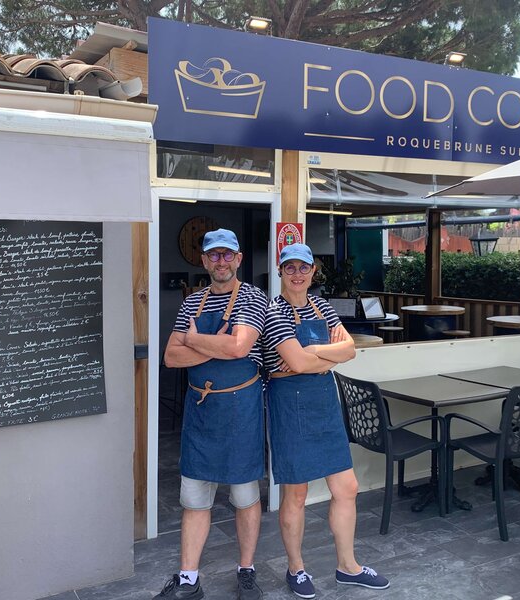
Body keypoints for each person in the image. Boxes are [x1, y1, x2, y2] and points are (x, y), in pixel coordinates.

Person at [262, 243, 390, 599]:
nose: (298, 275)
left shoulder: (322, 307)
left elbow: (349, 348)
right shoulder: (274, 312)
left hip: (323, 402)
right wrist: (325, 356)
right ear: (281, 272)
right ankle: (296, 568)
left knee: (346, 488)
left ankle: (348, 567)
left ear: (313, 272)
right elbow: (297, 365)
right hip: (289, 404)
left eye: (304, 268)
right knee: (296, 493)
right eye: (290, 269)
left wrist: (315, 352)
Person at [157, 229, 268, 600]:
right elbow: (171, 357)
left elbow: (239, 347)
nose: (220, 262)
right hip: (201, 416)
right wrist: (212, 344)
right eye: (213, 256)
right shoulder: (193, 302)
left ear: (238, 259)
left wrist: (192, 340)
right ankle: (189, 580)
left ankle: (247, 571)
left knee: (245, 497)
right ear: (204, 262)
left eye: (227, 255)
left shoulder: (253, 297)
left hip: (241, 412)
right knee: (194, 499)